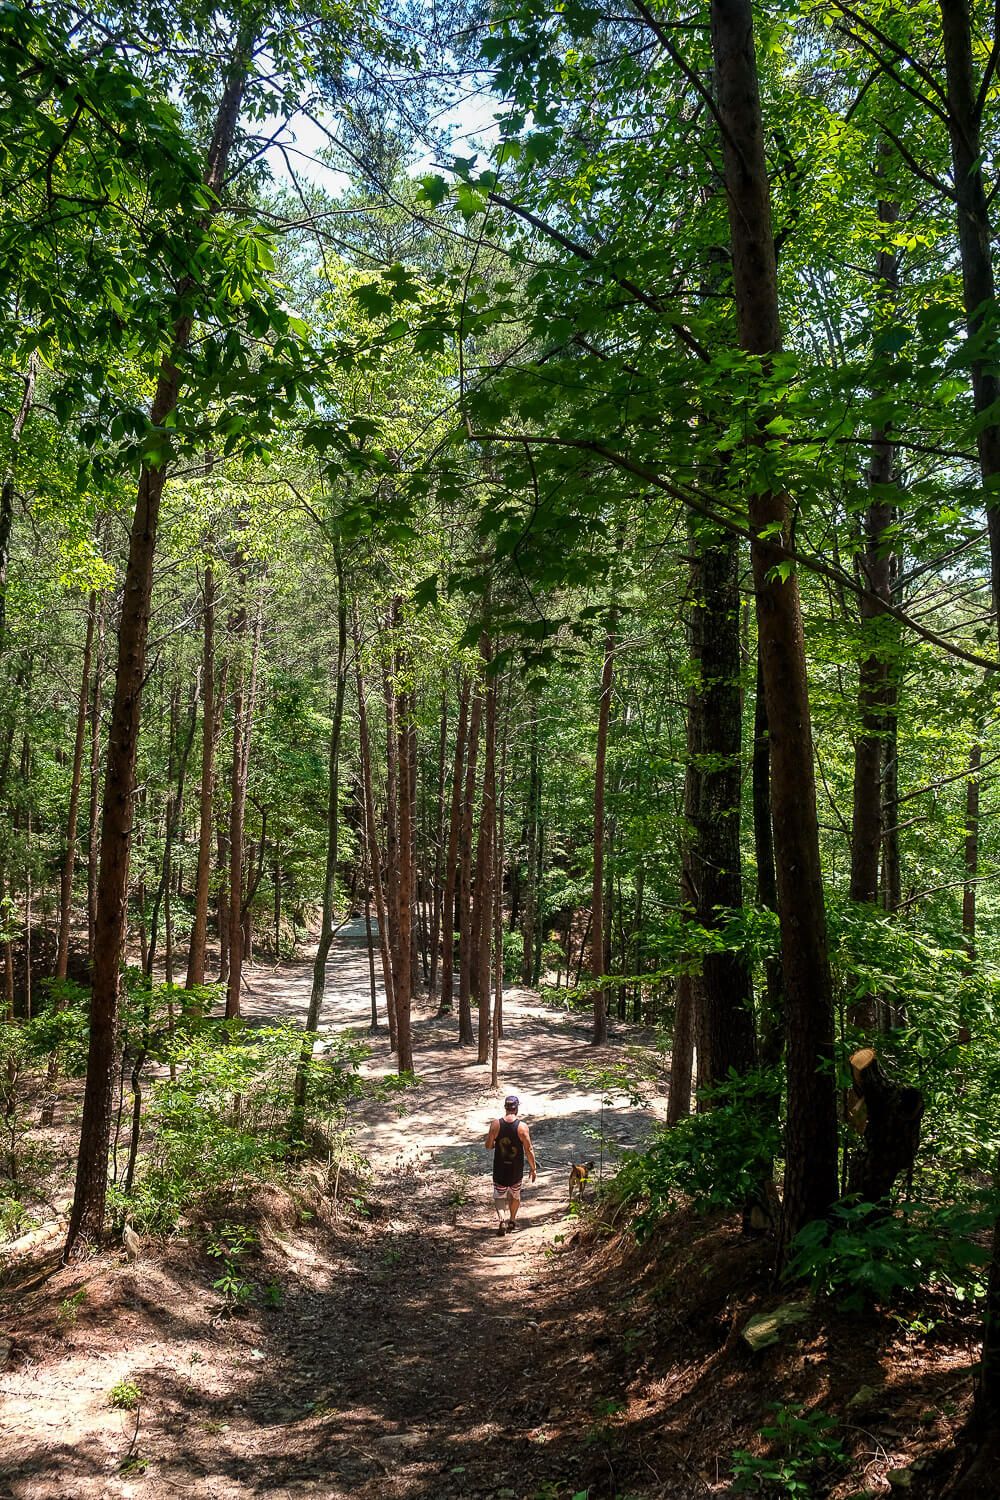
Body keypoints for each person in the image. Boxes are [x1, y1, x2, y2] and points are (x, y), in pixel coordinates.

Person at [485, 1094, 537, 1236]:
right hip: (516, 1169)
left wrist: (496, 1141)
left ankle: (502, 1219)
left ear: (505, 1108)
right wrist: (533, 1168)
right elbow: (529, 1149)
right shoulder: (522, 1127)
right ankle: (512, 1220)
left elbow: (488, 1145)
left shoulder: (496, 1124)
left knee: (499, 1195)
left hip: (500, 1168)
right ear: (516, 1108)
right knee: (515, 1194)